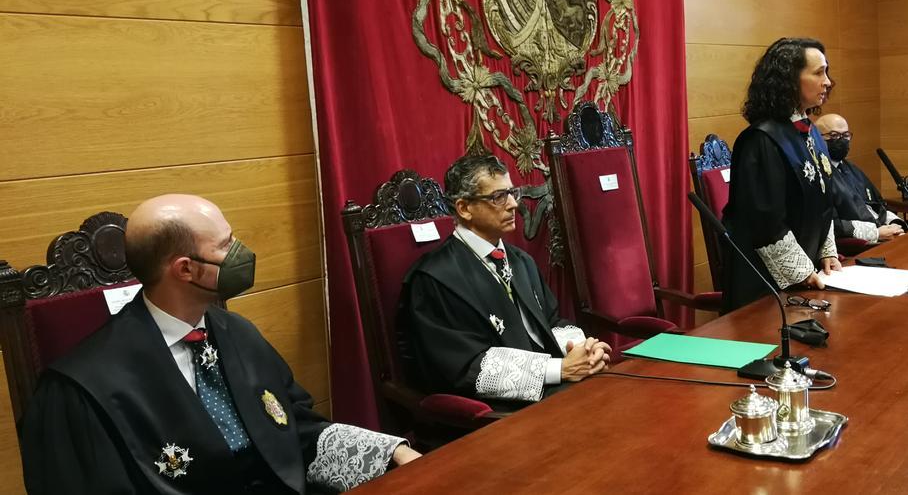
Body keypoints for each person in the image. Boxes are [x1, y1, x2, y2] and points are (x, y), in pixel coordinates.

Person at [19, 194, 420, 494]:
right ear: (186, 269)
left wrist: (389, 454)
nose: (241, 254)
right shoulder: (78, 390)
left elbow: (293, 429)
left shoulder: (236, 333)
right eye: (227, 246)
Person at [400, 154, 611, 409]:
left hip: (556, 386)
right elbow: (465, 366)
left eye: (512, 193)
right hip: (498, 412)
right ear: (464, 208)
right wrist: (560, 369)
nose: (513, 204)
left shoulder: (521, 260)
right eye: (498, 197)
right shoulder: (434, 280)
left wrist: (581, 350)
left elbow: (552, 321)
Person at [722, 37, 843, 312]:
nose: (828, 81)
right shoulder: (762, 140)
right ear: (789, 79)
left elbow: (824, 201)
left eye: (827, 71)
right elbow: (765, 221)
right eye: (818, 73)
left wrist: (827, 253)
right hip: (764, 290)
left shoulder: (812, 132)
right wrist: (803, 272)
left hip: (808, 281)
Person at [814, 113, 906, 245]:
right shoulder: (817, 174)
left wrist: (895, 224)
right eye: (834, 135)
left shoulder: (851, 168)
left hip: (885, 235)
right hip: (860, 244)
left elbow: (876, 205)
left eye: (846, 135)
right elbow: (829, 224)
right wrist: (876, 233)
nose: (842, 140)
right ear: (817, 138)